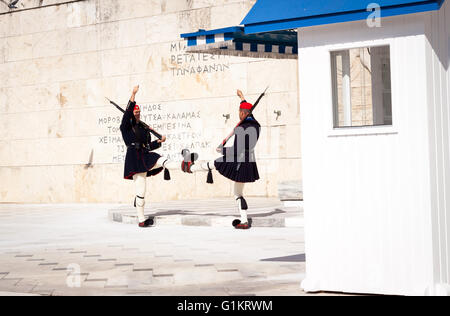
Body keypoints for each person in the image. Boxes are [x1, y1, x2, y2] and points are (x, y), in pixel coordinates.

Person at [181, 90, 261, 230]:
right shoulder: (256, 125)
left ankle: (190, 167)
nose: (238, 113)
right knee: (238, 193)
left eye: (239, 112)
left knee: (214, 163)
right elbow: (249, 111)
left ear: (243, 113)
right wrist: (242, 98)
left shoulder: (242, 127)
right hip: (249, 161)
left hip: (238, 161)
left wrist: (222, 150)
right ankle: (244, 220)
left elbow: (236, 150)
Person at [120, 85, 174, 228]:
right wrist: (133, 94)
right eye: (135, 112)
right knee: (141, 191)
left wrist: (158, 141)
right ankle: (141, 219)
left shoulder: (144, 129)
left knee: (160, 159)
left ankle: (183, 165)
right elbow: (127, 113)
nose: (137, 114)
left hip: (144, 155)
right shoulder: (125, 127)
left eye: (139, 112)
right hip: (134, 159)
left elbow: (148, 146)